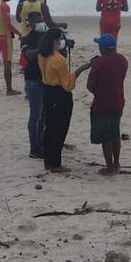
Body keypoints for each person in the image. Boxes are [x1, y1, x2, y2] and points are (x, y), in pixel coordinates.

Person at [38, 28, 92, 173]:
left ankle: (48, 161)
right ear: (56, 40)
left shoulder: (42, 55)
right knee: (59, 129)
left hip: (47, 91)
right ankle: (56, 164)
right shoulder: (58, 60)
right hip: (59, 94)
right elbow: (67, 85)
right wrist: (80, 70)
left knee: (49, 127)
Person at [87, 33, 128, 175]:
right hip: (118, 100)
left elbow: (90, 85)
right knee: (115, 133)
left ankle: (109, 167)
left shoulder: (99, 63)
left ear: (103, 48)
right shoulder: (122, 60)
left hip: (103, 103)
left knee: (106, 137)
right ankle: (116, 163)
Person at [20, 12, 48, 159]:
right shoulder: (26, 39)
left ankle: (42, 143)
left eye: (41, 20)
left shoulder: (47, 35)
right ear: (29, 24)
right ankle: (34, 148)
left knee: (44, 115)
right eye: (36, 21)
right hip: (33, 80)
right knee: (35, 115)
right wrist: (43, 47)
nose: (39, 22)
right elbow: (29, 55)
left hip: (47, 79)